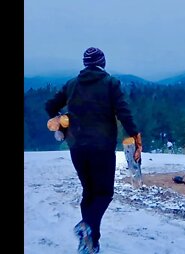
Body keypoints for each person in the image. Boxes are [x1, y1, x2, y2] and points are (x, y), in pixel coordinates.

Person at [45, 47, 142, 254]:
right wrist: (135, 134)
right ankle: (86, 226)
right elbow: (123, 111)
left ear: (86, 64)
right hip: (102, 147)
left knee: (89, 193)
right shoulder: (110, 83)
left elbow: (50, 105)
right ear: (103, 63)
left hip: (77, 147)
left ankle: (91, 243)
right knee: (104, 193)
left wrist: (62, 123)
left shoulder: (72, 85)